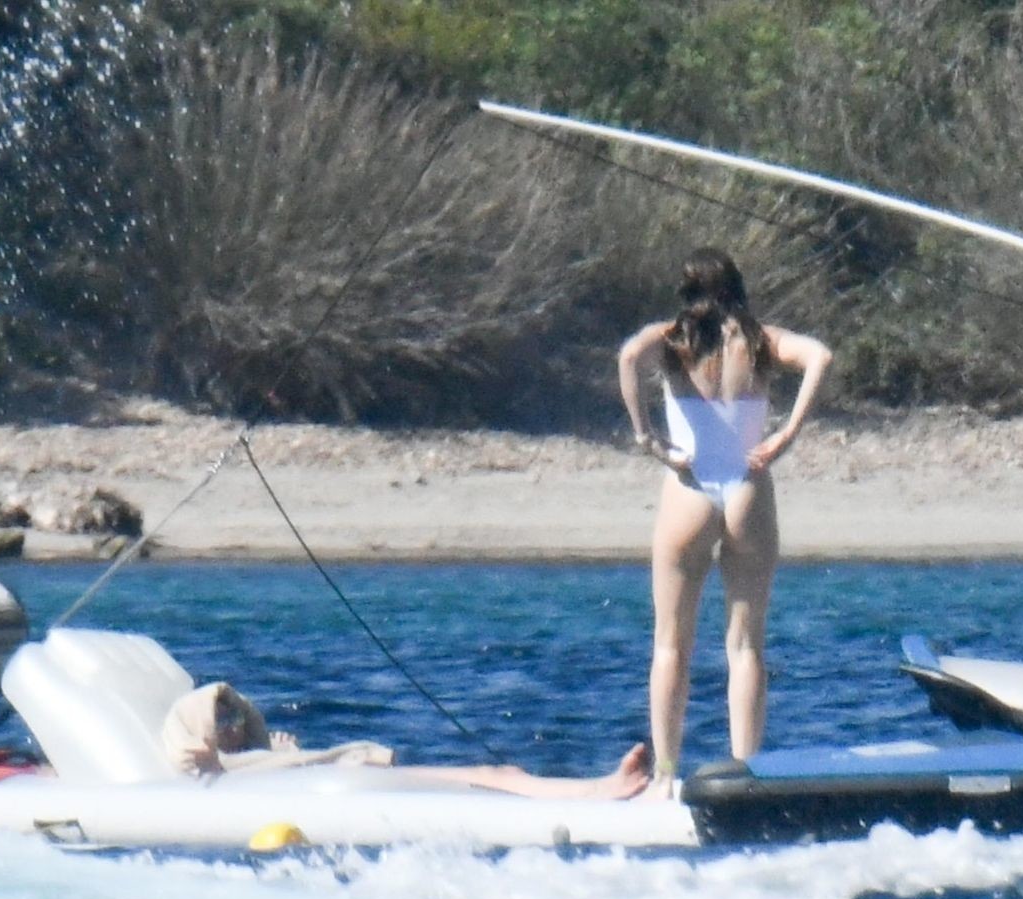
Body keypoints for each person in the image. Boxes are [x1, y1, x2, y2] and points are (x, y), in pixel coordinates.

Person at [617, 248, 833, 794]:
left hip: (688, 488)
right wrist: (786, 434)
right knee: (746, 647)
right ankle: (746, 775)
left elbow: (628, 356)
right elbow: (820, 356)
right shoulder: (761, 341)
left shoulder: (674, 339)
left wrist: (647, 438)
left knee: (671, 645)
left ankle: (665, 776)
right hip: (747, 487)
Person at [160, 682, 650, 800]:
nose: (233, 725)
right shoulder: (219, 774)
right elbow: (195, 763)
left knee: (498, 774)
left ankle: (596, 788)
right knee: (494, 776)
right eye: (220, 720)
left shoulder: (253, 762)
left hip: (365, 777)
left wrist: (279, 751)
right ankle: (597, 791)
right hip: (360, 782)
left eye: (237, 714)